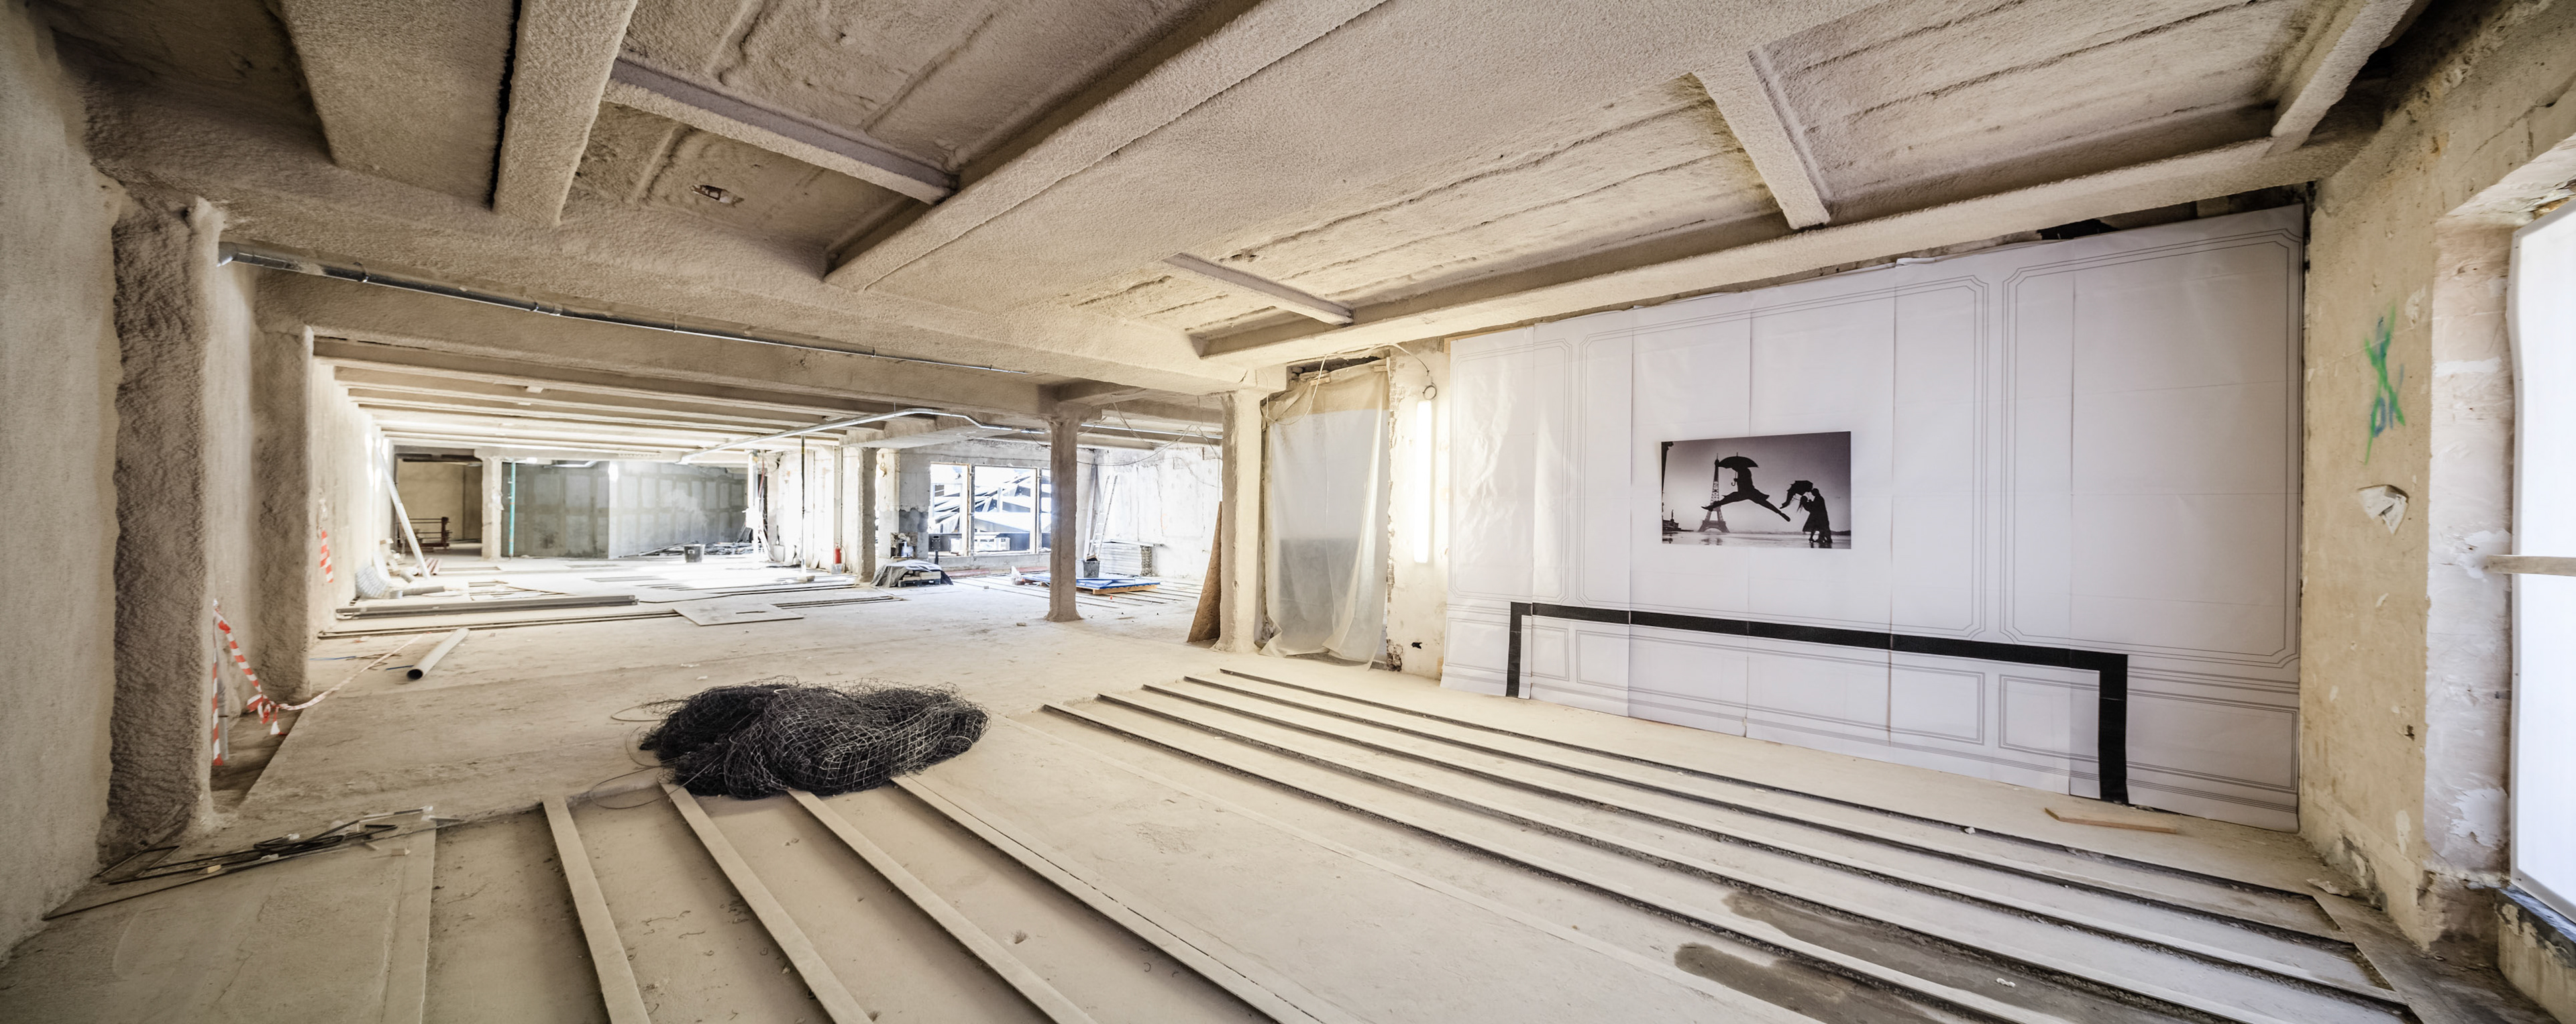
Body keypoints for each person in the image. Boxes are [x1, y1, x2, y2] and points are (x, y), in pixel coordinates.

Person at [1702, 456, 1791, 527]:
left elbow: (1744, 479)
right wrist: (1737, 480)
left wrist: (1719, 466)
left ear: (1739, 466)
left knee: (1728, 499)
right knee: (1765, 504)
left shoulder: (1744, 471)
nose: (1734, 468)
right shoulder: (1744, 471)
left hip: (1746, 493)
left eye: (1735, 467)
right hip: (1749, 493)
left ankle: (1712, 506)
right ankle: (1780, 513)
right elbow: (1743, 477)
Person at [1783, 479, 1833, 547]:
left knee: (1819, 527)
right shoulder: (1818, 498)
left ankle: (1820, 538)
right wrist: (1811, 502)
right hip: (1821, 516)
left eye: (1813, 493)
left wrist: (1810, 503)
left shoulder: (1819, 498)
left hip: (1820, 516)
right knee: (1820, 527)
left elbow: (1816, 506)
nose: (1812, 494)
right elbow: (1816, 506)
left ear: (1816, 493)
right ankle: (1819, 538)